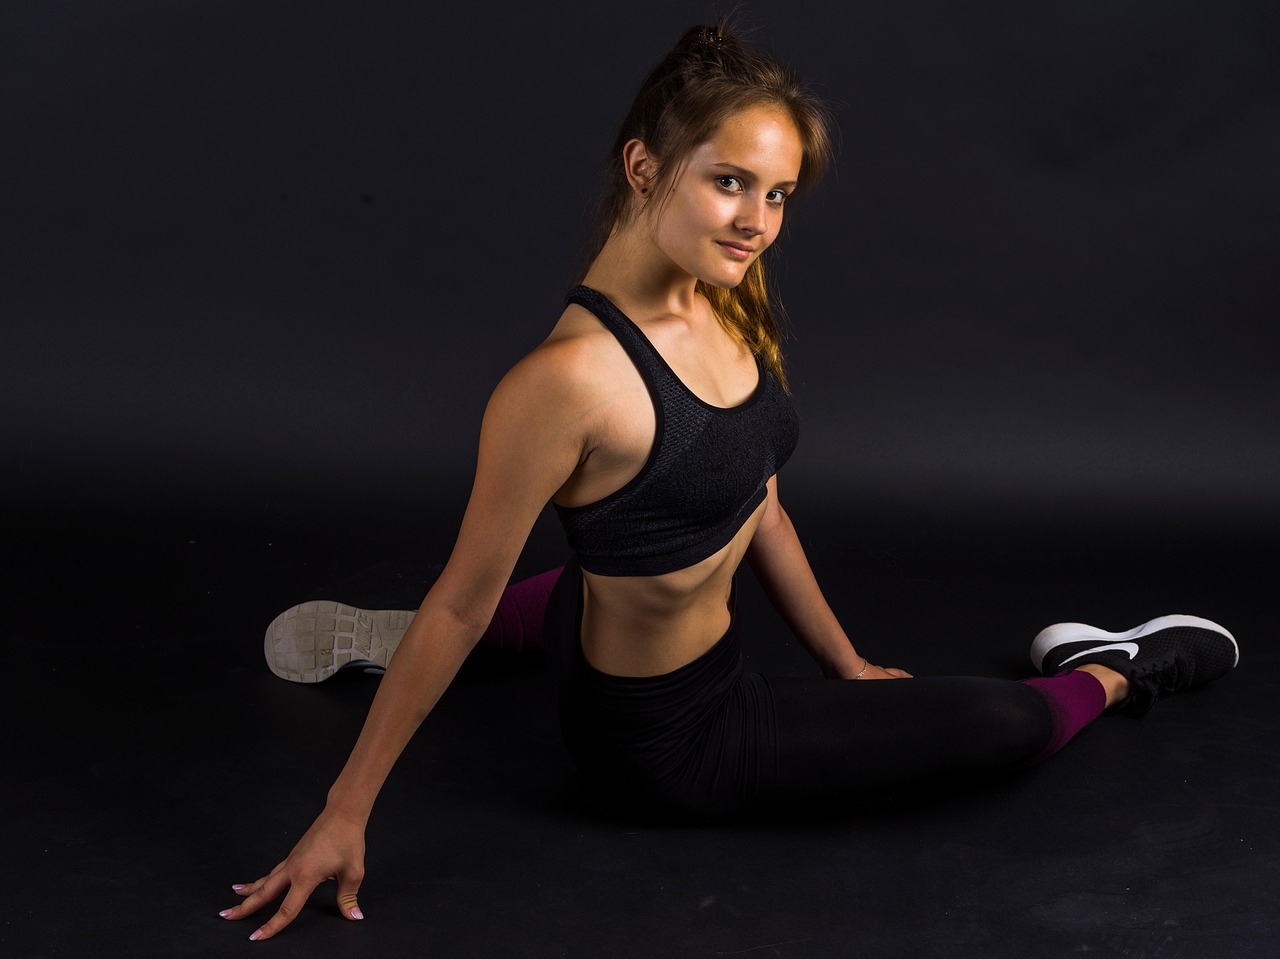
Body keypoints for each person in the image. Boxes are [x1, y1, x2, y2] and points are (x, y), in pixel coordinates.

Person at [221, 22, 1239, 942]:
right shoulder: (562, 383)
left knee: (611, 565)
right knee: (1001, 722)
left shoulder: (726, 295)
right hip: (668, 743)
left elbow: (755, 499)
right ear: (643, 166)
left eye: (778, 193)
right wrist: (342, 812)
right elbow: (462, 591)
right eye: (727, 182)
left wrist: (843, 662)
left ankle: (418, 642)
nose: (756, 220)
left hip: (607, 618)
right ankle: (1121, 666)